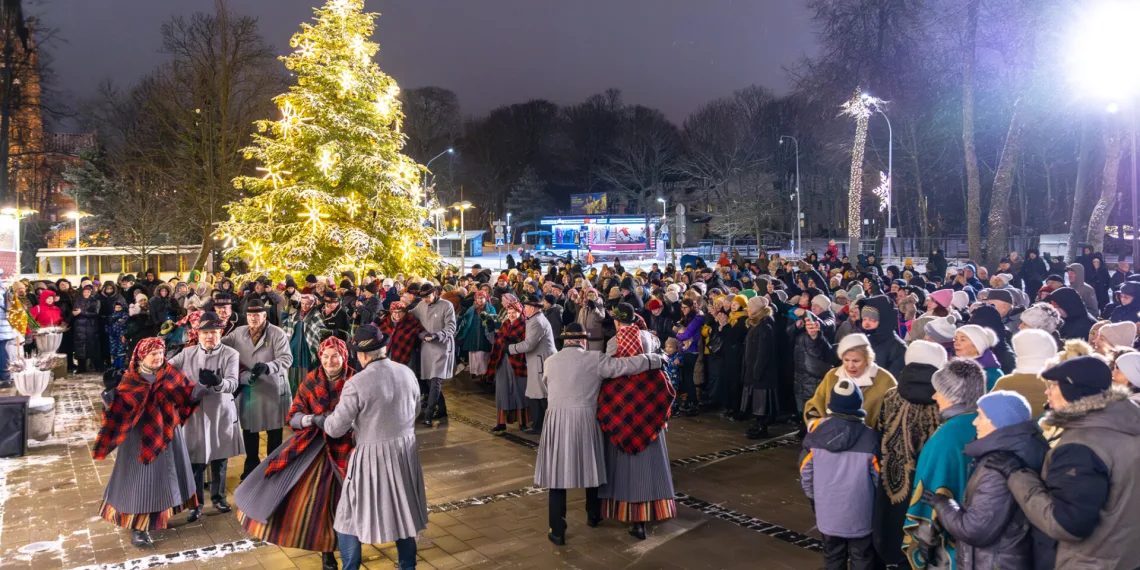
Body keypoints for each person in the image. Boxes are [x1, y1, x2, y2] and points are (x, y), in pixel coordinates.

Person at [311, 325, 428, 570]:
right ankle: (408, 566)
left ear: (362, 355)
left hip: (372, 457)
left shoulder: (357, 383)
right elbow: (416, 410)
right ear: (383, 348)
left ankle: (350, 567)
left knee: (347, 516)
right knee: (404, 511)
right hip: (405, 453)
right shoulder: (406, 372)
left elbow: (335, 428)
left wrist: (320, 419)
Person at [1007, 356, 1140, 570]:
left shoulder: (1082, 446)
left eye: (1053, 386)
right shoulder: (1128, 423)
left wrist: (1018, 477)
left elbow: (1066, 525)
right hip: (1128, 557)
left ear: (1073, 391)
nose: (1046, 392)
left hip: (1089, 562)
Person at [538, 322, 665, 545]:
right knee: (591, 468)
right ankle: (593, 515)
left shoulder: (550, 361)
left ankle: (557, 530)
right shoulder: (594, 359)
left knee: (557, 477)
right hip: (586, 419)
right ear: (583, 341)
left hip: (556, 420)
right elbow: (626, 365)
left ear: (564, 340)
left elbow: (546, 386)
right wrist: (655, 359)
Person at [234, 336, 355, 570]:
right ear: (319, 357)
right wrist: (314, 419)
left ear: (344, 357)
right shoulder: (311, 380)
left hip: (347, 447)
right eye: (325, 356)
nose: (330, 361)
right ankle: (326, 551)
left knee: (349, 501)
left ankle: (352, 549)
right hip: (315, 446)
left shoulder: (355, 381)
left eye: (335, 356)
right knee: (319, 503)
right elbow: (293, 416)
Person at [92, 337, 221, 547]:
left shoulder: (171, 374)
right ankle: (138, 527)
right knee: (141, 482)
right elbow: (115, 411)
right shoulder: (129, 379)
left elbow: (188, 397)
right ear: (142, 355)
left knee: (166, 478)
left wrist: (204, 385)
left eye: (161, 354)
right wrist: (110, 392)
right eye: (153, 354)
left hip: (168, 433)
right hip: (139, 438)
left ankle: (165, 514)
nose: (158, 358)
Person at [922, 390, 1048, 570]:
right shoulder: (1030, 448)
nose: (974, 422)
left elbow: (974, 530)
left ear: (999, 422)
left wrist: (944, 505)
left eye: (981, 416)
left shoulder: (997, 466)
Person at [597, 307, 675, 541]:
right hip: (648, 411)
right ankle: (652, 511)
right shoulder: (651, 339)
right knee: (650, 462)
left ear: (618, 323)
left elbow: (607, 370)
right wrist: (651, 360)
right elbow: (662, 362)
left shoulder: (613, 342)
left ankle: (628, 514)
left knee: (622, 464)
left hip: (620, 411)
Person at [903, 358, 986, 570]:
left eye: (939, 390)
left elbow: (928, 495)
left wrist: (923, 542)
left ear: (952, 395)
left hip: (949, 548)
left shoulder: (946, 437)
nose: (934, 396)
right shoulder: (983, 423)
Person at [873, 340, 945, 567]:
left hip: (893, 477)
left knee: (891, 522)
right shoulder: (942, 399)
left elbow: (880, 430)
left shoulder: (892, 395)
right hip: (930, 480)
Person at [800, 379, 880, 570]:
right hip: (861, 513)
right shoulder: (869, 436)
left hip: (827, 512)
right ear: (858, 406)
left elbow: (805, 471)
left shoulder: (814, 434)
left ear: (831, 406)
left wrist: (813, 496)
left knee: (833, 556)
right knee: (862, 557)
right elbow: (878, 477)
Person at [169, 312, 243, 521]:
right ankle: (196, 503)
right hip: (196, 412)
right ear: (198, 334)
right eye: (205, 332)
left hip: (221, 410)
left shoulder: (231, 354)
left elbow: (233, 383)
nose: (210, 336)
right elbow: (166, 369)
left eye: (214, 332)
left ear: (220, 333)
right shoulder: (187, 353)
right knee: (196, 460)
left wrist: (218, 382)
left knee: (219, 458)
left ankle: (218, 498)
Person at [222, 299, 293, 480]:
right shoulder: (238, 333)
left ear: (264, 315)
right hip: (249, 390)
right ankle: (251, 468)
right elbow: (220, 345)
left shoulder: (277, 334)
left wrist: (269, 367)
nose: (253, 318)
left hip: (272, 389)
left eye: (257, 315)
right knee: (250, 432)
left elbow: (286, 359)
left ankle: (273, 468)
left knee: (274, 434)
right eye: (250, 315)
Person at [805, 333, 898, 429]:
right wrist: (816, 425)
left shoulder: (885, 380)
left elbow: (895, 417)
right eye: (846, 360)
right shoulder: (832, 376)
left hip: (868, 441)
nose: (850, 366)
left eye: (856, 361)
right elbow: (814, 405)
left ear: (867, 359)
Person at [509, 294, 557, 434]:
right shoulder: (534, 319)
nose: (524, 309)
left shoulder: (537, 321)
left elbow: (529, 344)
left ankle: (543, 426)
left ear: (533, 308)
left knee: (541, 395)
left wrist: (511, 348)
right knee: (536, 394)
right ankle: (539, 424)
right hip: (537, 361)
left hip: (541, 362)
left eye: (526, 306)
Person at [412, 283, 456, 427]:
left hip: (441, 347)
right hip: (427, 347)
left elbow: (451, 327)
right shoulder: (420, 306)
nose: (425, 300)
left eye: (427, 296)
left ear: (435, 293)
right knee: (430, 382)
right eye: (422, 297)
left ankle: (429, 414)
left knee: (436, 380)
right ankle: (442, 409)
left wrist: (437, 335)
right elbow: (410, 317)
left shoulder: (447, 305)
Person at [487, 294, 530, 432]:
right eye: (509, 313)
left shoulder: (525, 325)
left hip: (518, 362)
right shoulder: (505, 324)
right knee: (502, 391)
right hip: (502, 360)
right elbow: (497, 341)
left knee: (519, 391)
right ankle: (501, 422)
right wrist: (491, 330)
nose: (511, 315)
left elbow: (526, 344)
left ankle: (523, 422)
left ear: (519, 312)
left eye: (514, 313)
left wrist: (513, 344)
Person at [741, 295, 778, 438]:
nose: (748, 310)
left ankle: (762, 427)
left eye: (749, 308)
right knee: (757, 401)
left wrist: (757, 371)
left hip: (762, 372)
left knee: (761, 402)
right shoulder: (757, 324)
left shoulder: (765, 326)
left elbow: (764, 352)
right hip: (754, 369)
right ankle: (758, 424)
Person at [284, 293, 327, 395]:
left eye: (307, 304)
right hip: (294, 345)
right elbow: (287, 328)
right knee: (292, 369)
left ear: (312, 304)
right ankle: (293, 393)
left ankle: (306, 394)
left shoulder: (316, 314)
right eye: (303, 303)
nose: (304, 306)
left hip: (307, 346)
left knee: (306, 370)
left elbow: (321, 329)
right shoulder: (295, 314)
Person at [859, 295, 906, 375]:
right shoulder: (865, 340)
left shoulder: (898, 348)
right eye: (864, 319)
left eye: (872, 320)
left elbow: (891, 380)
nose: (866, 323)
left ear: (883, 321)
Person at [457, 290, 496, 377]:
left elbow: (493, 319)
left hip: (484, 335)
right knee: (474, 354)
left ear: (485, 298)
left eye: (482, 298)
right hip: (473, 334)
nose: (480, 300)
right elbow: (466, 319)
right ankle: (475, 372)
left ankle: (484, 374)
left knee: (483, 355)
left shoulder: (491, 308)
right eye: (478, 298)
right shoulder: (472, 308)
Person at [953, 324, 1004, 390]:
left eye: (962, 340)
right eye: (956, 339)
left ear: (977, 346)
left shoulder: (993, 374)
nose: (956, 343)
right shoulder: (955, 366)